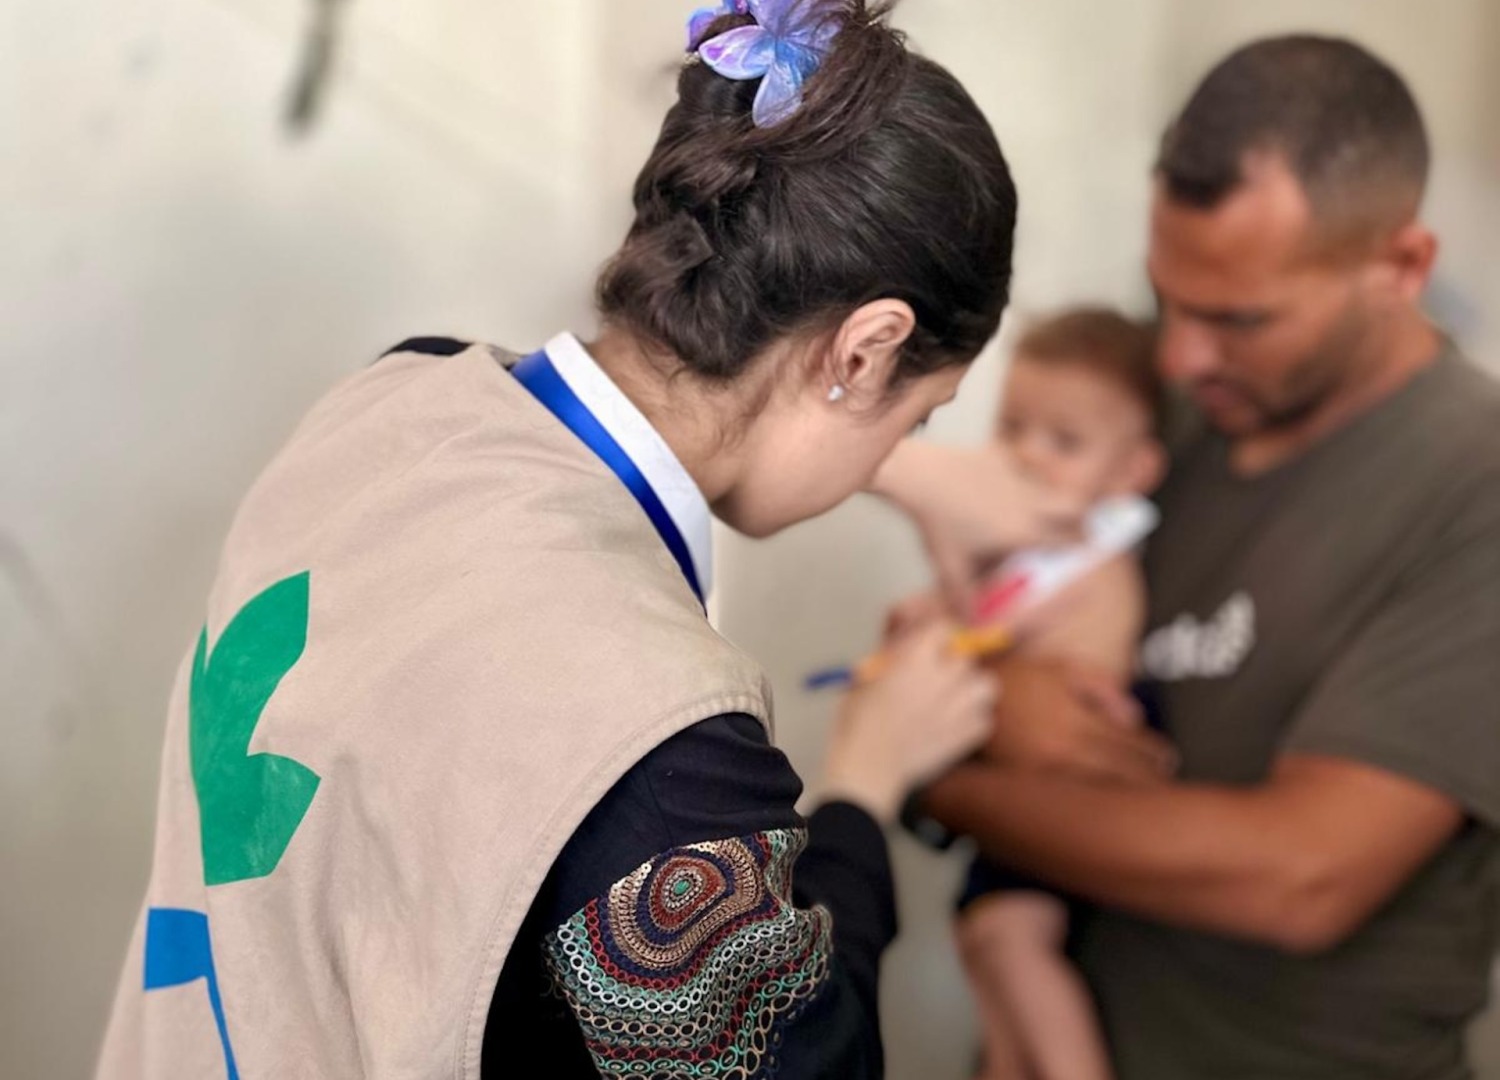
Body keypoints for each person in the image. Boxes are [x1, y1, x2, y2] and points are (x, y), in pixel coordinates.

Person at [92, 3, 1057, 1077]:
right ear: (868, 350)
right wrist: (864, 792)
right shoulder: (657, 747)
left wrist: (894, 460)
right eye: (916, 416)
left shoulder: (389, 401)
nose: (894, 457)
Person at [910, 35, 1500, 1080]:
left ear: (1402, 269)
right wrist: (1002, 693)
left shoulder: (1472, 484)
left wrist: (948, 778)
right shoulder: (1150, 415)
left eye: (1240, 318)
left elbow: (1302, 877)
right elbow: (953, 628)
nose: (1180, 355)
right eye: (1167, 298)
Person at [941, 310, 1166, 1080]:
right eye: (1013, 428)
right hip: (1026, 785)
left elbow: (985, 630)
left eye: (1064, 442)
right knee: (986, 944)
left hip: (1068, 788)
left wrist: (937, 618)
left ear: (1132, 471)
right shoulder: (1042, 552)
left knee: (1011, 943)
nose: (1029, 456)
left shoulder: (1089, 558)